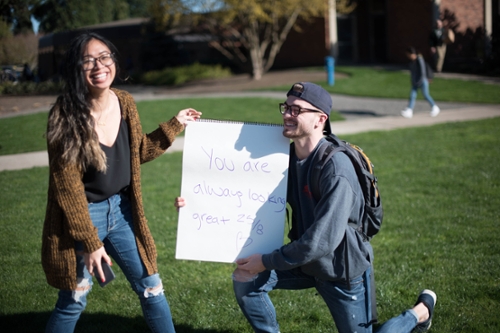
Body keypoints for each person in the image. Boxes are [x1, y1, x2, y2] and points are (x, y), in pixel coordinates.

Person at [176, 82, 437, 333]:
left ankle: (419, 312)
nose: (288, 114)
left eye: (297, 110)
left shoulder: (336, 169)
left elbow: (321, 242)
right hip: (302, 262)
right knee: (245, 277)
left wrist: (266, 261)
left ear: (320, 119)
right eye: (286, 107)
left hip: (340, 271)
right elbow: (243, 197)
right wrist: (196, 205)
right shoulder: (283, 159)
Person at [42, 31, 201, 333]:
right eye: (88, 61)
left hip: (123, 212)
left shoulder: (125, 101)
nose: (98, 66)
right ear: (76, 69)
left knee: (152, 287)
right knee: (74, 298)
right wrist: (90, 242)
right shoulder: (64, 115)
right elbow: (68, 188)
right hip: (84, 217)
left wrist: (175, 123)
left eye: (104, 57)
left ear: (114, 61)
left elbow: (138, 152)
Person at [400, 47, 440, 119]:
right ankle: (409, 110)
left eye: (408, 54)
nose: (408, 56)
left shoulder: (419, 59)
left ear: (412, 54)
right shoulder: (412, 61)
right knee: (412, 95)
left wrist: (419, 81)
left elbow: (423, 72)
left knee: (426, 95)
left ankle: (435, 107)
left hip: (422, 81)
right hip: (415, 82)